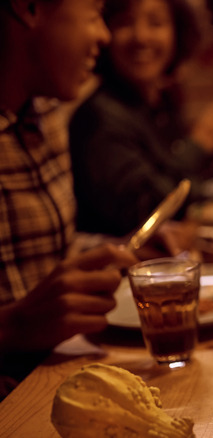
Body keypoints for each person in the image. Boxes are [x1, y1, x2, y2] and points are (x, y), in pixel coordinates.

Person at [0, 0, 140, 397]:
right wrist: (11, 327)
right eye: (95, 12)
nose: (105, 36)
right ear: (28, 8)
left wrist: (121, 250)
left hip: (66, 376)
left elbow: (44, 255)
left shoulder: (45, 113)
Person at [69, 0, 213, 237]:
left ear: (178, 32)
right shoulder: (98, 118)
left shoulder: (157, 103)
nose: (141, 37)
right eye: (124, 23)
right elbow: (150, 211)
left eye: (156, 23)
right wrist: (205, 138)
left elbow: (169, 171)